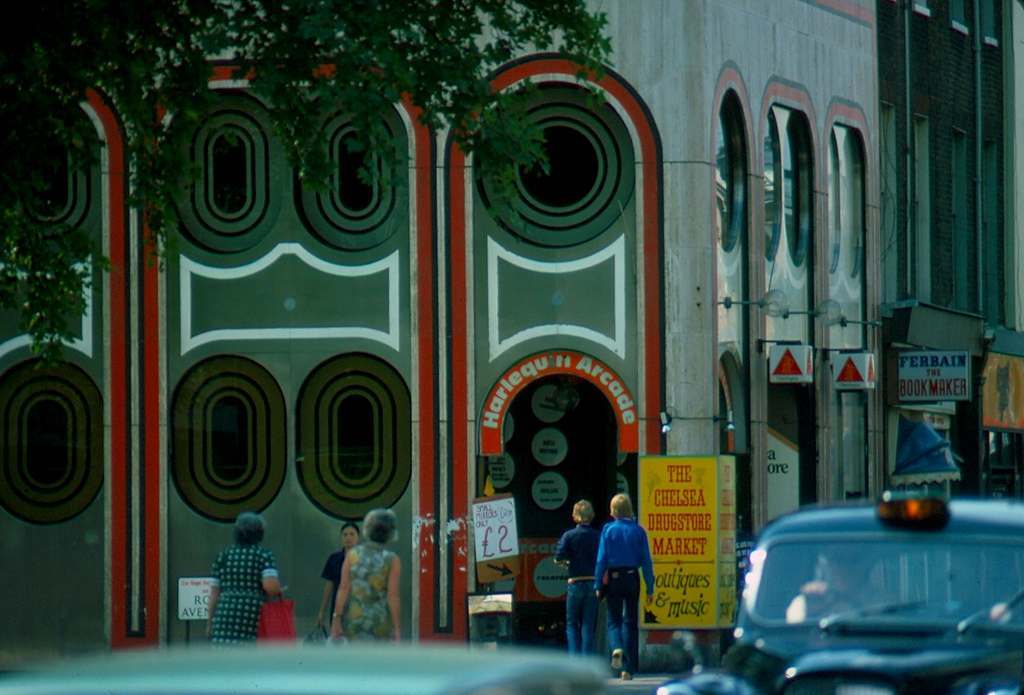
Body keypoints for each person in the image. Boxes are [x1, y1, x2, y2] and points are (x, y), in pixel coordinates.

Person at [593, 493, 654, 681]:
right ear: (630, 509)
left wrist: (597, 583)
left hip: (614, 577)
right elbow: (646, 561)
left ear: (613, 511)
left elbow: (601, 560)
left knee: (614, 620)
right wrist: (650, 587)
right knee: (630, 621)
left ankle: (617, 647)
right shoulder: (638, 531)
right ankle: (627, 669)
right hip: (632, 577)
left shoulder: (608, 530)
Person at [206, 511, 282, 644]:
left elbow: (214, 594)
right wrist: (279, 589)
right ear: (259, 533)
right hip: (250, 616)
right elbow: (270, 587)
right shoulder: (263, 556)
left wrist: (209, 623)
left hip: (224, 616)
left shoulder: (223, 556)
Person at [330, 508, 401, 642]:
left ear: (367, 530)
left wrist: (336, 619)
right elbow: (393, 596)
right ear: (391, 533)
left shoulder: (352, 556)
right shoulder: (392, 560)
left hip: (354, 620)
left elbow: (343, 589)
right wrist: (396, 628)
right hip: (380, 621)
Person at [554, 499, 600, 655]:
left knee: (572, 624)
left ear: (575, 516)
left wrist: (567, 564)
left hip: (575, 582)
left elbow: (558, 557)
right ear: (592, 516)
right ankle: (586, 661)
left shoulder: (568, 535)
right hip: (592, 583)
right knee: (588, 624)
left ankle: (574, 659)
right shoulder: (597, 536)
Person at [785, 551, 874, 624]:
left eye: (853, 560)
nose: (843, 567)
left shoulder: (880, 600)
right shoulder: (807, 601)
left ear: (865, 565)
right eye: (838, 560)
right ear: (828, 565)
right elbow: (793, 636)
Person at [316, 522, 360, 631]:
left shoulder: (364, 559)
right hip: (338, 609)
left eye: (351, 534)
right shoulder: (334, 558)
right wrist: (322, 611)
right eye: (345, 535)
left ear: (358, 537)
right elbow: (329, 585)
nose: (348, 538)